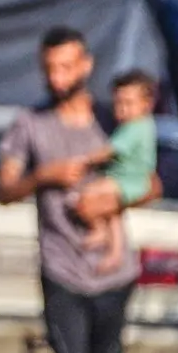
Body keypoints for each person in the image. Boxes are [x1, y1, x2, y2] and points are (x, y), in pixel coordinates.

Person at [0, 27, 159, 353]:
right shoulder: (30, 124)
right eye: (50, 68)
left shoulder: (115, 118)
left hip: (114, 270)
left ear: (86, 66)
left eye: (67, 67)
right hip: (61, 266)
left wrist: (109, 198)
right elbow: (5, 189)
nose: (58, 77)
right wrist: (45, 176)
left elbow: (151, 182)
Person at [67, 69, 160, 275]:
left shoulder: (135, 127)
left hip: (130, 181)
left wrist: (86, 160)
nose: (122, 109)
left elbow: (110, 151)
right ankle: (115, 252)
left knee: (83, 195)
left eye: (128, 103)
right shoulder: (140, 126)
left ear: (147, 104)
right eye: (118, 103)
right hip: (128, 180)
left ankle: (98, 230)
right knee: (112, 213)